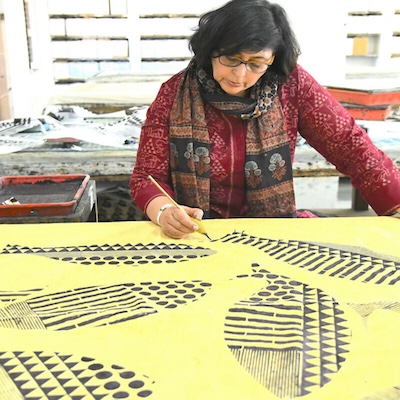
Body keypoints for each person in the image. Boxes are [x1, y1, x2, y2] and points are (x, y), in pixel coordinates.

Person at [130, 0, 400, 239]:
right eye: (230, 58)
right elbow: (146, 176)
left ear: (272, 59)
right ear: (210, 50)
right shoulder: (175, 93)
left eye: (255, 64)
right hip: (197, 233)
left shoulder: (292, 87)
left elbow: (350, 146)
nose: (239, 74)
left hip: (272, 233)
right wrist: (165, 211)